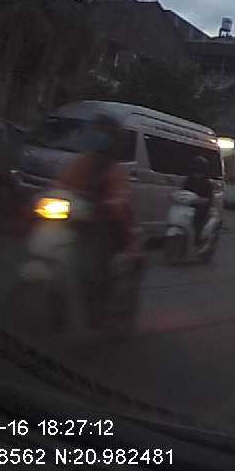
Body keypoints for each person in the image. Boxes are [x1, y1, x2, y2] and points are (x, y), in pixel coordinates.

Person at [54, 113, 133, 327]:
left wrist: (112, 203)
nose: (100, 137)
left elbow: (120, 195)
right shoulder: (83, 161)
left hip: (103, 225)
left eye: (105, 133)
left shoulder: (115, 169)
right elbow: (61, 183)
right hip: (76, 221)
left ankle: (98, 310)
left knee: (95, 267)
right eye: (98, 131)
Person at [182, 155, 214, 242]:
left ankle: (197, 239)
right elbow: (183, 191)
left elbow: (209, 199)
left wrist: (200, 200)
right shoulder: (189, 180)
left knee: (196, 221)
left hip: (201, 208)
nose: (196, 173)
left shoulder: (207, 183)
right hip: (189, 206)